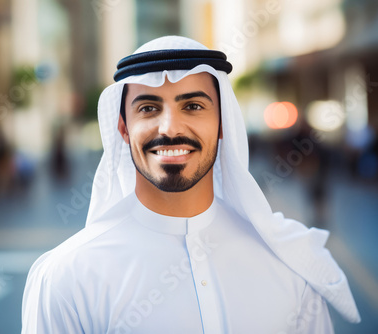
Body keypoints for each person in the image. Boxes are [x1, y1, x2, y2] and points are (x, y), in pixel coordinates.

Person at [22, 36, 360, 333]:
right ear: (123, 129)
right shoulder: (66, 278)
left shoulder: (289, 264)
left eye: (193, 106)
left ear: (223, 122)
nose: (170, 128)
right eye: (149, 108)